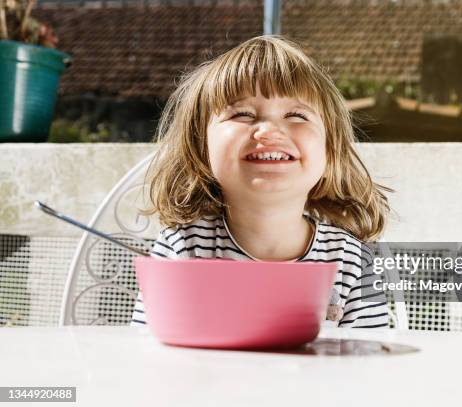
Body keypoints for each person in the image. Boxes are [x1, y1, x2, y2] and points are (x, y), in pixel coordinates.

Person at [131, 35, 391, 328]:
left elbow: (369, 367)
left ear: (330, 151)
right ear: (200, 146)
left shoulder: (351, 259)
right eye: (242, 114)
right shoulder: (182, 247)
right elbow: (151, 358)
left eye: (296, 115)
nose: (268, 131)